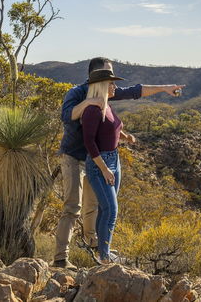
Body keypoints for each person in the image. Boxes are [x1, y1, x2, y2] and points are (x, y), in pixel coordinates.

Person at [53, 57, 184, 269]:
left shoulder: (106, 92)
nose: (112, 79)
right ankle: (60, 259)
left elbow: (135, 91)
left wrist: (165, 88)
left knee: (92, 207)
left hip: (95, 160)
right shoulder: (77, 93)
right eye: (107, 73)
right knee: (72, 207)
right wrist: (88, 102)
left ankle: (95, 249)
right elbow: (67, 116)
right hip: (74, 157)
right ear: (94, 75)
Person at [82, 69, 125, 263]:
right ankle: (104, 257)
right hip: (101, 164)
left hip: (114, 159)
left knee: (105, 209)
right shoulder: (92, 110)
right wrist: (104, 169)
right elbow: (89, 142)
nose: (115, 86)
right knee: (110, 210)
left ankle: (103, 252)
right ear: (101, 86)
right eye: (111, 83)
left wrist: (125, 136)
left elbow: (111, 129)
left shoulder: (106, 106)